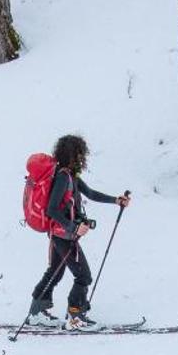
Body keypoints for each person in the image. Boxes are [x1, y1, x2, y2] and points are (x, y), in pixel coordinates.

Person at [27, 134, 130, 327]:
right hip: (63, 235)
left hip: (61, 234)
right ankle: (75, 316)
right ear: (72, 155)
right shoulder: (62, 178)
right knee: (83, 276)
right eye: (80, 154)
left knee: (55, 272)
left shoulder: (70, 176)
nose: (83, 158)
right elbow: (51, 209)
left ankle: (37, 312)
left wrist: (116, 200)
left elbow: (90, 193)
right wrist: (74, 227)